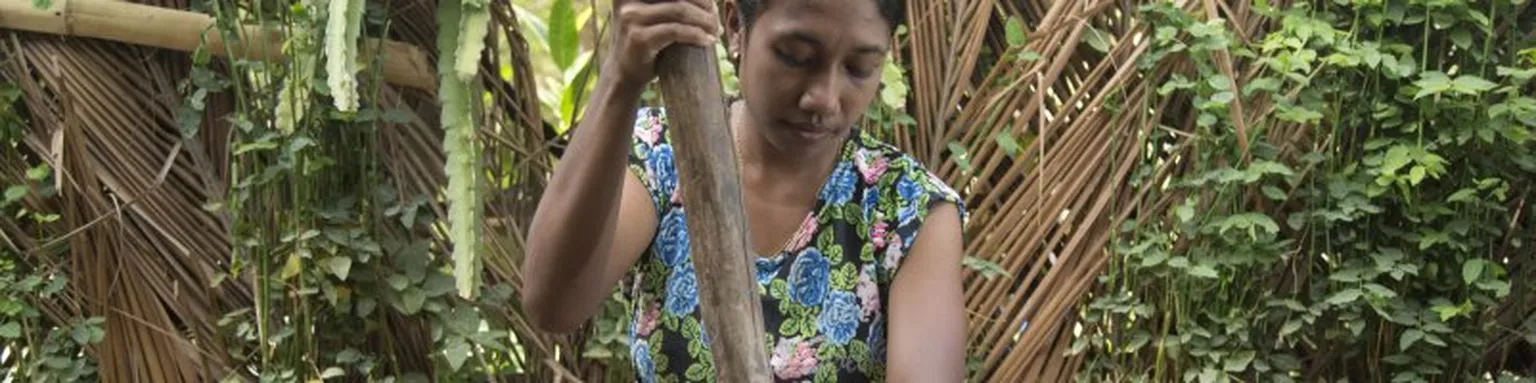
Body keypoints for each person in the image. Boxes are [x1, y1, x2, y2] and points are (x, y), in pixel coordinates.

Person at [521, 0, 968, 381]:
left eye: (859, 68)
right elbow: (553, 304)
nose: (824, 99)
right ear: (735, 25)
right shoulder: (662, 155)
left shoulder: (907, 209)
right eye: (795, 56)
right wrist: (622, 77)